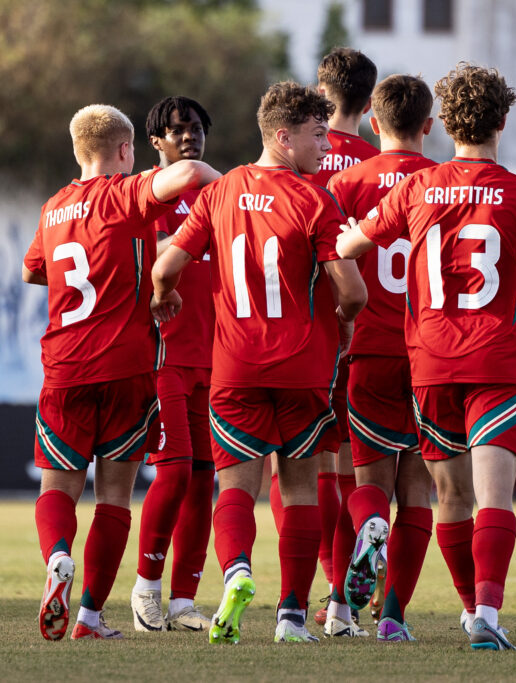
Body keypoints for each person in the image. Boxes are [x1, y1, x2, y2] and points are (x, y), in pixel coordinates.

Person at [337, 63, 516, 651]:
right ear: (503, 122)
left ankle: (469, 610)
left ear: (447, 125)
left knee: (451, 497)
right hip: (496, 362)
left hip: (429, 361)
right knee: (491, 496)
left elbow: (352, 243)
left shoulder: (416, 187)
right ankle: (484, 611)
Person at [152, 81, 367, 644]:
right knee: (299, 491)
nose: (325, 146)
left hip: (235, 367)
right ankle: (292, 616)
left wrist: (161, 296)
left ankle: (238, 572)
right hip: (303, 368)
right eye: (316, 135)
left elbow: (166, 264)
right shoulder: (316, 199)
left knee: (237, 492)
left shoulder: (220, 194)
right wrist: (342, 322)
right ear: (282, 135)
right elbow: (354, 291)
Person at [23, 104, 220, 641]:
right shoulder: (124, 194)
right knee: (114, 497)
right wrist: (238, 192)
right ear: (128, 151)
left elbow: (32, 270)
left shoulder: (52, 208)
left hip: (64, 367)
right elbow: (190, 172)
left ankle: (58, 557)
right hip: (127, 368)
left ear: (76, 151)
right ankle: (88, 617)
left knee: (57, 490)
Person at [322, 74, 436, 641]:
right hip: (433, 353)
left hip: (365, 346)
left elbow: (329, 263)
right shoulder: (445, 182)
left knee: (361, 477)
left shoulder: (346, 182)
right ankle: (391, 617)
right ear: (429, 126)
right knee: (417, 490)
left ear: (373, 121)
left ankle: (347, 591)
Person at [292, 47, 380, 624]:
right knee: (355, 469)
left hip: (303, 337)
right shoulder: (374, 163)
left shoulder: (294, 159)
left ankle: (326, 592)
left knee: (307, 471)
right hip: (369, 332)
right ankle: (345, 598)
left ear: (319, 94)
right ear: (371, 103)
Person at [130, 96, 217, 633]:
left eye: (197, 129)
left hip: (219, 355)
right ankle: (146, 591)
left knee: (205, 477)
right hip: (164, 355)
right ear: (156, 142)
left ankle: (184, 600)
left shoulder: (222, 196)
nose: (189, 137)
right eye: (177, 130)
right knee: (176, 470)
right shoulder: (143, 196)